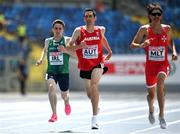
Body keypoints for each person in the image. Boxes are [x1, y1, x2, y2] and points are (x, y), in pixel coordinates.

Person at [59, 8, 112, 129]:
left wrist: (109, 51)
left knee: (94, 85)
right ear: (84, 19)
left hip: (98, 63)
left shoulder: (101, 29)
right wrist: (80, 45)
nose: (88, 18)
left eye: (90, 16)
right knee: (89, 93)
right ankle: (95, 103)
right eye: (86, 16)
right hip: (84, 64)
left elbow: (102, 38)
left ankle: (94, 119)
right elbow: (68, 47)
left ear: (94, 18)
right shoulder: (78, 31)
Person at [130, 3, 178, 129]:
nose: (156, 16)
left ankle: (162, 116)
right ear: (149, 16)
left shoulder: (167, 29)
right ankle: (151, 109)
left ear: (161, 16)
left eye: (159, 14)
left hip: (163, 64)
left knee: (161, 83)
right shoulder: (144, 29)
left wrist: (173, 51)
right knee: (152, 95)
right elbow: (132, 44)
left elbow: (170, 41)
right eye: (154, 14)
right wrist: (141, 45)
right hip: (150, 67)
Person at [36, 19, 75, 122]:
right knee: (51, 87)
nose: (58, 30)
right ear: (53, 29)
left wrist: (65, 50)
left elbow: (75, 55)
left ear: (63, 30)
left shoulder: (67, 40)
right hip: (51, 71)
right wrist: (40, 59)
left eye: (60, 28)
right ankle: (54, 114)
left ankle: (67, 103)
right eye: (56, 28)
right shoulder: (48, 41)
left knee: (64, 95)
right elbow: (44, 51)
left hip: (63, 72)